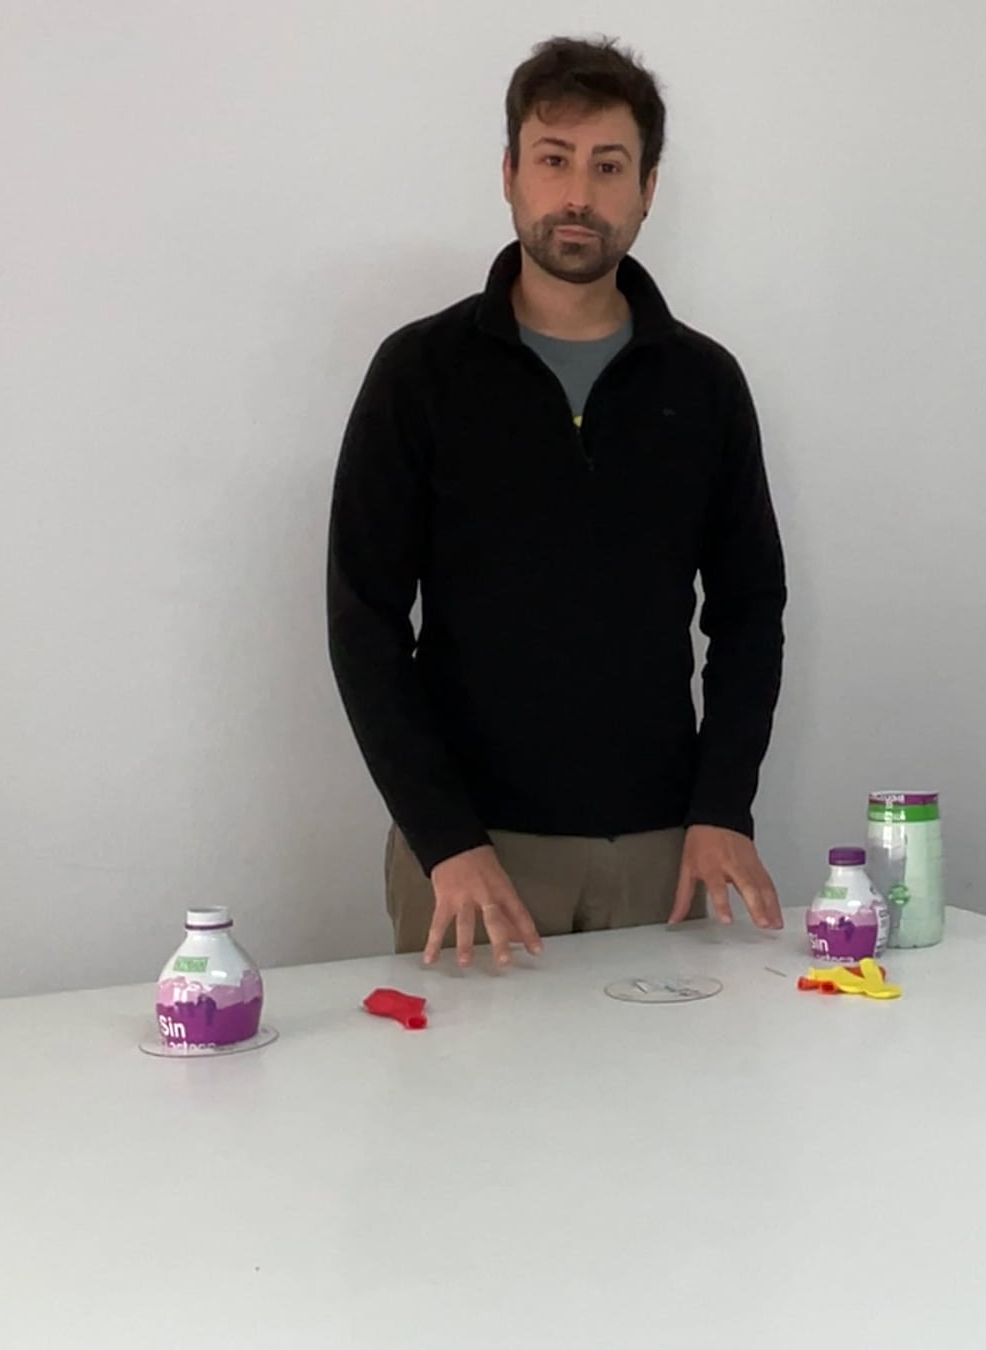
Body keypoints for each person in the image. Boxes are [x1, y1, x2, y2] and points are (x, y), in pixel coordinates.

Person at [327, 36, 789, 970]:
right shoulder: (420, 373)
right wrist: (443, 838)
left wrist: (722, 809)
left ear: (648, 190)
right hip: (475, 864)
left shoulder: (704, 385)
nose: (578, 194)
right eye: (553, 160)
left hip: (664, 857)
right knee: (470, 1075)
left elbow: (750, 614)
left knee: (684, 1073)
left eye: (608, 166)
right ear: (510, 174)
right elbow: (364, 622)